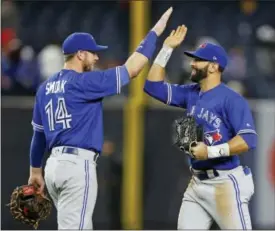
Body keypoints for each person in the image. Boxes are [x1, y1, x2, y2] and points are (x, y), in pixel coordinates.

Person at [27, 7, 174, 229]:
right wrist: (154, 32)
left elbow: (38, 136)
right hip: (77, 166)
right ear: (80, 54)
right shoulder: (85, 82)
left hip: (52, 168)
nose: (96, 57)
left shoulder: (44, 88)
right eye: (92, 52)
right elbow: (132, 69)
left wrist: (35, 171)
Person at [143, 25, 257, 229]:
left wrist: (210, 151)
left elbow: (248, 140)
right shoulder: (190, 93)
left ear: (213, 67)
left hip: (226, 184)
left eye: (198, 60)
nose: (192, 64)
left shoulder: (231, 99)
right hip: (197, 183)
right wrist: (167, 48)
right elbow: (152, 86)